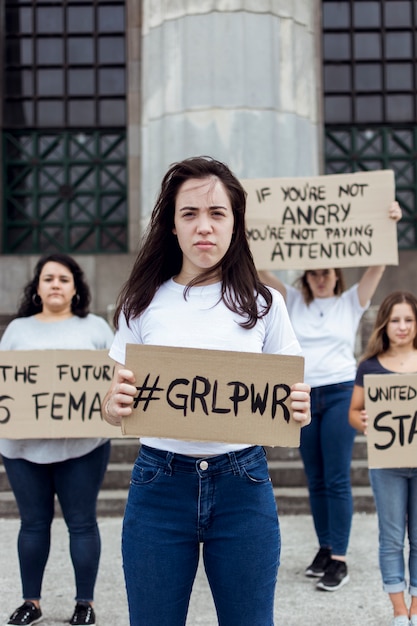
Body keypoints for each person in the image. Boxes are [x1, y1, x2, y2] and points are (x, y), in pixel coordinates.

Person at [101, 155, 311, 626]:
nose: (204, 227)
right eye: (189, 214)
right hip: (159, 483)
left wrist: (300, 405)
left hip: (244, 484)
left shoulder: (264, 303)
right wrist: (113, 407)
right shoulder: (141, 302)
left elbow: (291, 389)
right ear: (171, 226)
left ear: (235, 224)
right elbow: (113, 401)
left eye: (217, 214)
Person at [258, 199, 401, 592]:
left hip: (340, 392)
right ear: (306, 275)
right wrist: (250, 224)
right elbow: (257, 267)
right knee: (315, 478)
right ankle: (324, 547)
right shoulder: (291, 299)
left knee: (337, 477)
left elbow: (377, 264)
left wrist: (386, 221)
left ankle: (338, 557)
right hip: (302, 397)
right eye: (314, 272)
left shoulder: (350, 301)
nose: (321, 278)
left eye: (327, 272)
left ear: (337, 275)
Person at [0, 253, 114, 626]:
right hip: (22, 448)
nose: (55, 285)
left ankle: (85, 604)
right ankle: (30, 602)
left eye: (63, 279)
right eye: (48, 278)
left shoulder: (96, 327)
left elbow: (114, 377)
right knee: (32, 524)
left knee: (81, 523)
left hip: (83, 446)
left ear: (76, 288)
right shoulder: (17, 330)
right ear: (36, 287)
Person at [349, 291, 417, 626]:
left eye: (408, 319)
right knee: (391, 537)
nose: (402, 327)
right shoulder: (369, 366)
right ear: (384, 324)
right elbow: (354, 412)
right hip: (387, 465)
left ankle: (416, 608)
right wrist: (362, 420)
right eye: (395, 320)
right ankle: (399, 610)